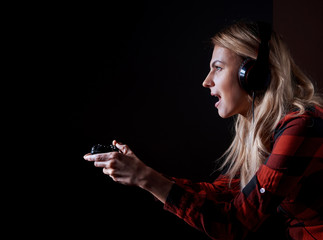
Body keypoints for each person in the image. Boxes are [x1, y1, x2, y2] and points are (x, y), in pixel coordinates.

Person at [84, 20, 323, 239]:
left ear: (252, 74)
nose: (206, 81)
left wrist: (145, 178)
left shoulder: (302, 127)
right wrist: (141, 172)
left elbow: (234, 222)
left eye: (218, 68)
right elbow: (219, 194)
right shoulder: (266, 131)